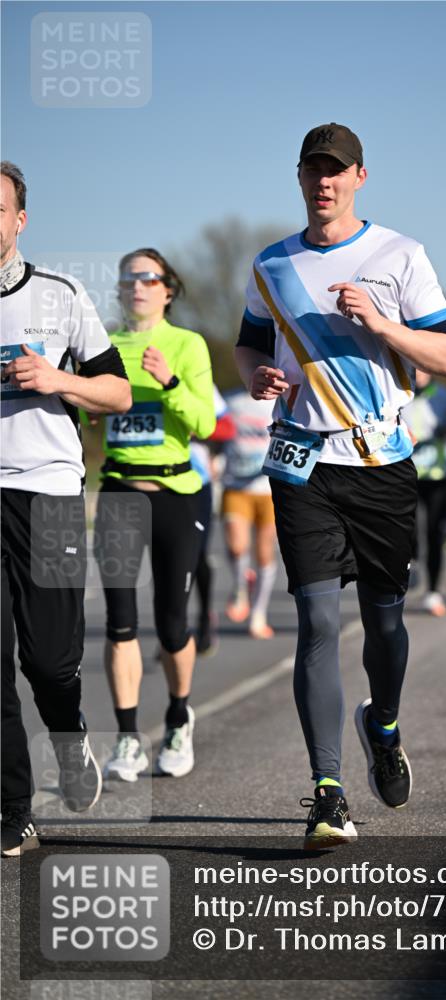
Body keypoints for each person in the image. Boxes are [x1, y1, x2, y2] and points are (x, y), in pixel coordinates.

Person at [234, 123, 446, 849]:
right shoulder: (271, 264)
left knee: (385, 625)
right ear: (298, 176)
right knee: (317, 624)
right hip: (302, 463)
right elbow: (246, 342)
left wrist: (383, 323)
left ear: (360, 176)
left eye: (335, 171)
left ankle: (383, 725)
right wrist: (255, 376)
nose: (322, 182)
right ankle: (328, 794)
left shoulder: (399, 255)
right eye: (311, 170)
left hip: (382, 463)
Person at [0, 161, 131, 856]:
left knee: (49, 664)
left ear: (20, 220)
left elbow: (119, 394)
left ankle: (69, 734)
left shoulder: (61, 294)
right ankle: (13, 809)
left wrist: (57, 379)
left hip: (48, 494)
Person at [96, 248, 216, 783]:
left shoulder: (187, 345)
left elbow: (207, 423)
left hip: (176, 493)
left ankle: (176, 717)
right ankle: (126, 736)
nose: (138, 286)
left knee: (171, 623)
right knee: (120, 621)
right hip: (120, 493)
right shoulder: (103, 346)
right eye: (129, 279)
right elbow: (81, 409)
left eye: (149, 278)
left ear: (168, 289)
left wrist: (169, 383)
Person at [401, 370, 446, 616]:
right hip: (407, 473)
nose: (419, 372)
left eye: (423, 366)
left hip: (438, 475)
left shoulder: (445, 397)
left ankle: (434, 592)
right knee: (409, 526)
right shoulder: (398, 394)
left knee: (436, 533)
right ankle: (413, 560)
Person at [221, 388, 278, 639]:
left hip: (268, 488)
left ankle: (258, 614)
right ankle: (240, 589)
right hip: (236, 485)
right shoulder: (230, 402)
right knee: (236, 545)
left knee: (264, 552)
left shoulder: (278, 404)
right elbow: (217, 433)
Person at [189, 385, 234, 655]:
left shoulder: (191, 369)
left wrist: (189, 425)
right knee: (161, 559)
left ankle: (205, 618)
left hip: (195, 477)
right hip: (143, 478)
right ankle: (173, 629)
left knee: (196, 555)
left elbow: (227, 427)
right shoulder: (126, 362)